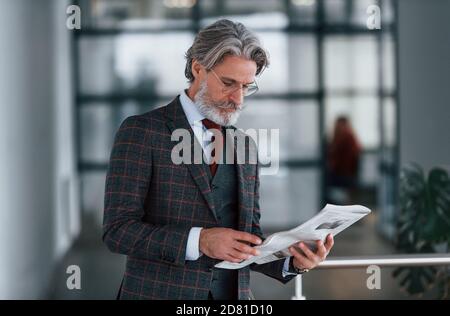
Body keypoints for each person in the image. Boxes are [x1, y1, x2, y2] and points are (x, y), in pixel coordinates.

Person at [103, 19, 334, 300]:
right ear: (197, 67)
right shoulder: (141, 131)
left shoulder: (245, 146)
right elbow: (118, 230)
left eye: (247, 87)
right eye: (228, 83)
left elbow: (249, 239)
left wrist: (292, 261)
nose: (238, 99)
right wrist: (199, 241)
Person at [326, 116, 362, 204]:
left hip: (344, 175)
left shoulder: (346, 137)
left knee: (344, 200)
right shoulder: (345, 137)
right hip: (343, 175)